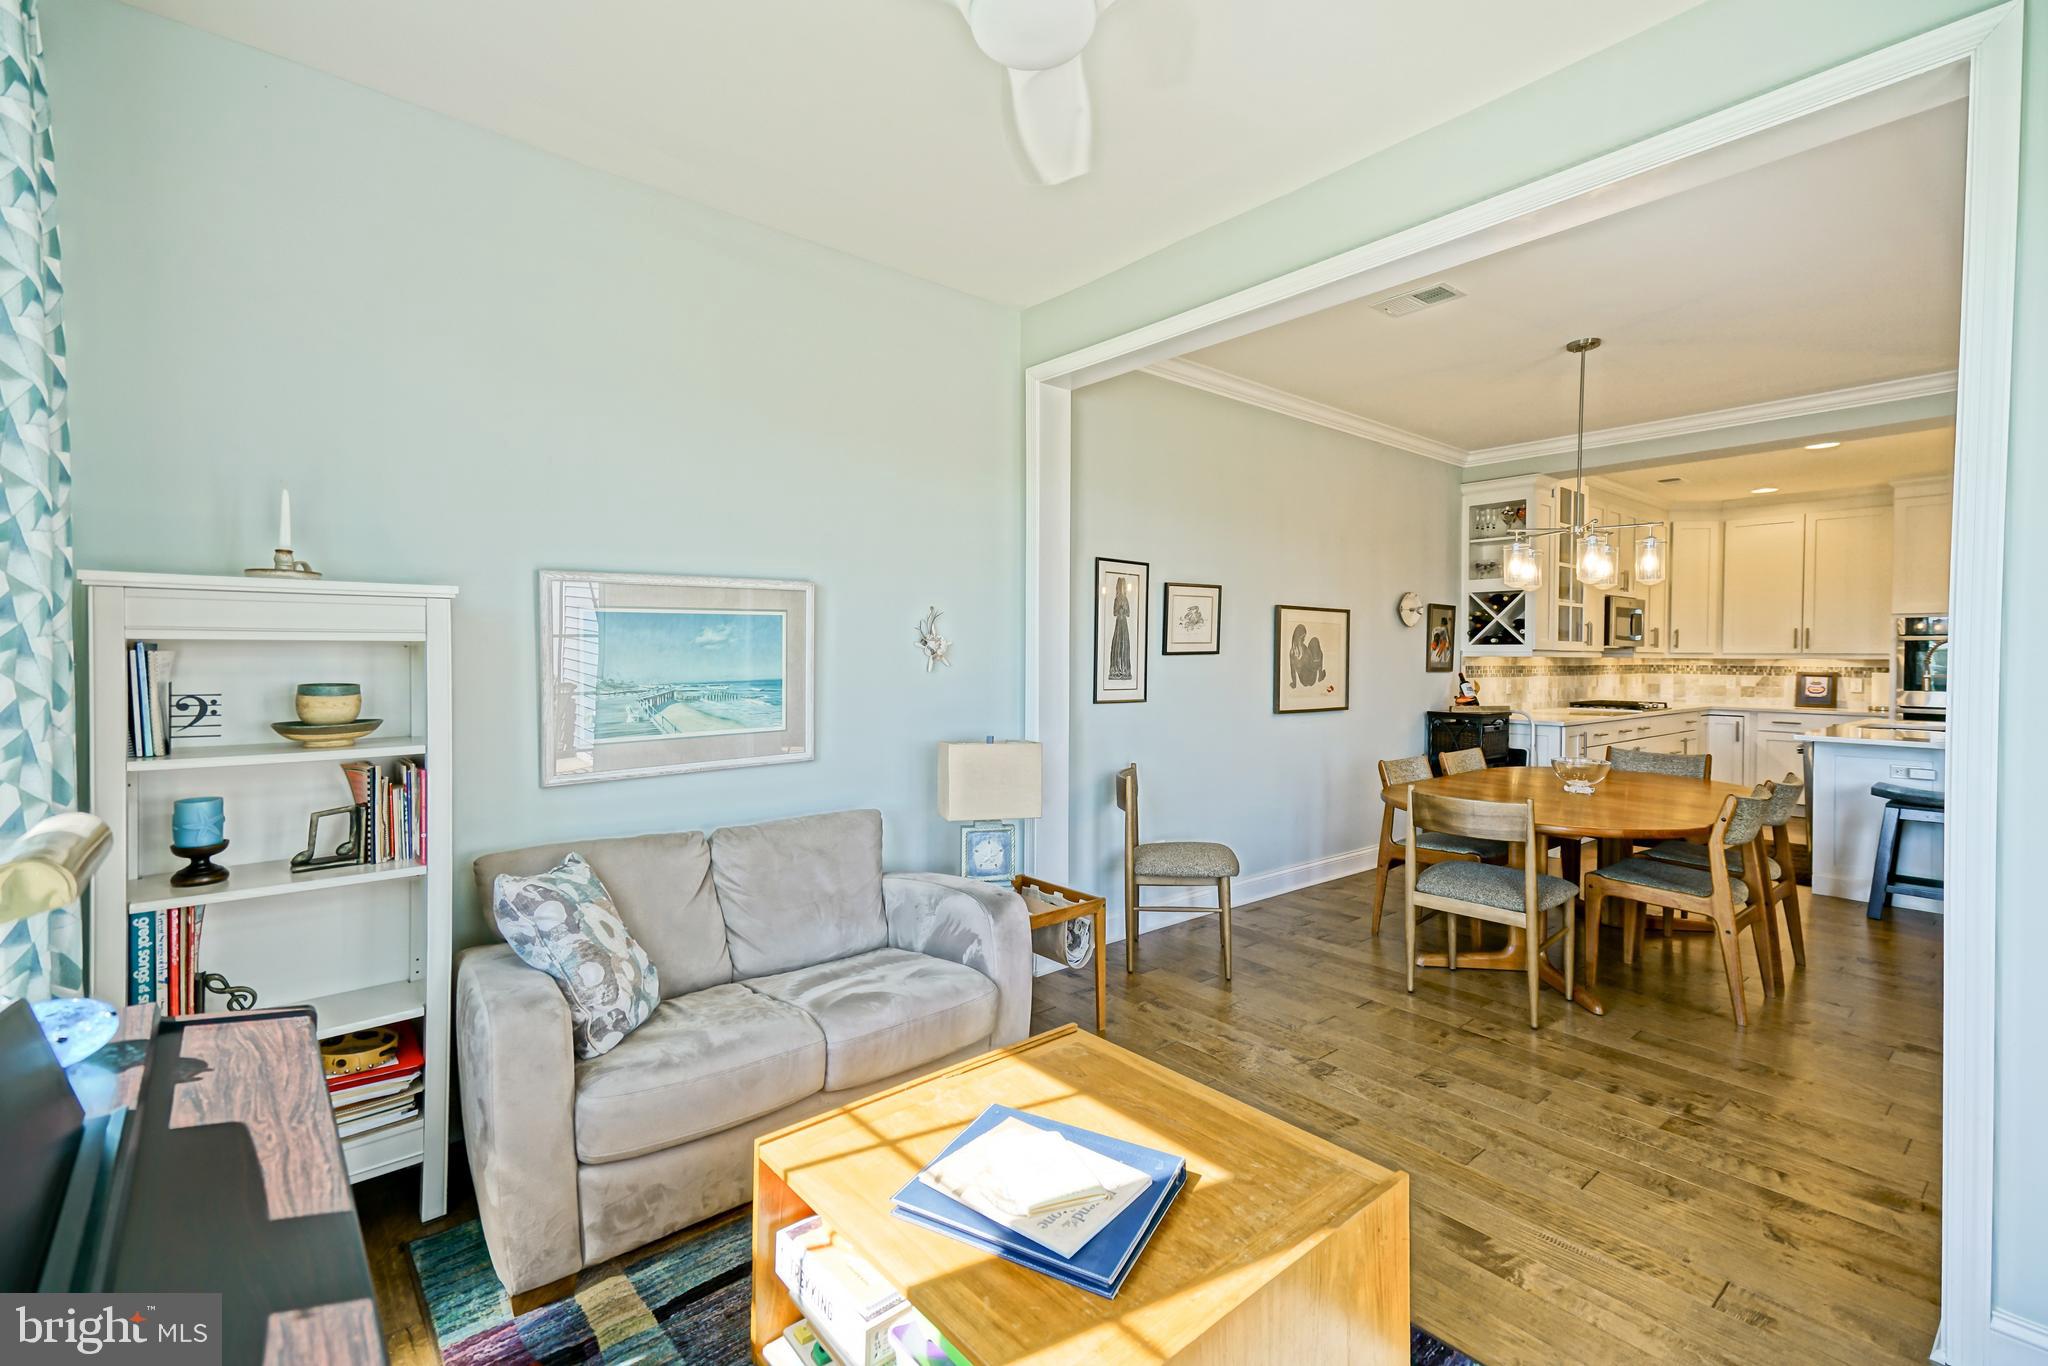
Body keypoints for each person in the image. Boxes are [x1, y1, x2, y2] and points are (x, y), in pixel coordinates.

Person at [1108, 578, 1133, 680]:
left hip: (1124, 623)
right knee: (1118, 644)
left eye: (1123, 586)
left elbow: (1128, 613)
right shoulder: (1116, 599)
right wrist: (1119, 610)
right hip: (1119, 622)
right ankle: (1116, 669)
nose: (1122, 588)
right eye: (1120, 586)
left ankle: (1124, 669)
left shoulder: (1126, 599)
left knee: (1124, 645)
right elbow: (1114, 613)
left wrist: (1124, 609)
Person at [1288, 622, 1324, 690]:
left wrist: (1294, 683)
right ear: (1299, 637)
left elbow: (1292, 669)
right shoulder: (1304, 649)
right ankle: (1320, 675)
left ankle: (1320, 674)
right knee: (1314, 640)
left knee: (1315, 648)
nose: (1304, 639)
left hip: (1303, 681)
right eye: (1303, 637)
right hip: (1311, 679)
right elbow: (1312, 665)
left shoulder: (1292, 652)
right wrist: (1319, 661)